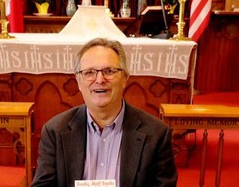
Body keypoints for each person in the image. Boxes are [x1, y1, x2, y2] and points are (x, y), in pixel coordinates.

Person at [30, 38, 178, 187]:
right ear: (78, 81)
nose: (100, 80)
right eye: (89, 72)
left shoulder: (157, 134)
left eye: (109, 71)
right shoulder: (55, 131)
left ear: (125, 78)